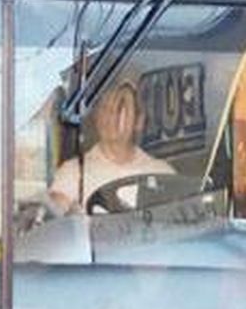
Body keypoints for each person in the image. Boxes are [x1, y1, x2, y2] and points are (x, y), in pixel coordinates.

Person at [47, 81, 174, 213]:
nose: (111, 117)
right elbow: (54, 218)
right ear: (96, 117)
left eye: (120, 109)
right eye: (105, 109)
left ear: (139, 121)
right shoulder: (74, 173)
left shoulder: (162, 174)